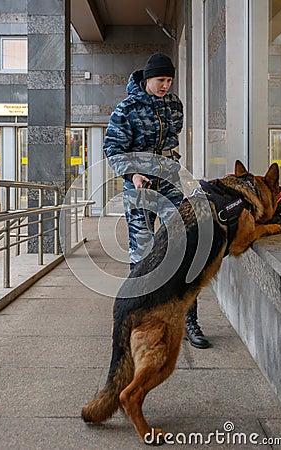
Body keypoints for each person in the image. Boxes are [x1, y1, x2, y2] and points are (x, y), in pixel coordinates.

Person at [103, 52, 209, 349]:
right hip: (139, 186)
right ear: (148, 78)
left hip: (170, 182)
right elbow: (113, 150)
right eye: (161, 79)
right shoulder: (126, 109)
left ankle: (189, 320)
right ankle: (135, 320)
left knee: (187, 245)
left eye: (170, 80)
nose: (166, 85)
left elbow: (171, 142)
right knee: (143, 255)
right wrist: (134, 174)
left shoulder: (174, 105)